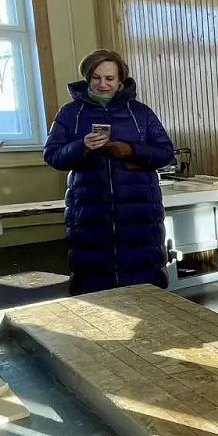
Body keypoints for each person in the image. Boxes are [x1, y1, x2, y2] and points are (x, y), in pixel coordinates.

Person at [44, 49, 175, 295]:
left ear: (120, 79)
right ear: (87, 78)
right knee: (93, 286)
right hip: (89, 213)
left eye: (110, 78)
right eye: (96, 77)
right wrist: (81, 146)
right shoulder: (70, 114)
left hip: (139, 213)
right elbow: (52, 155)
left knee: (145, 288)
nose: (103, 84)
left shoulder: (140, 113)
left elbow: (166, 152)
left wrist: (131, 150)